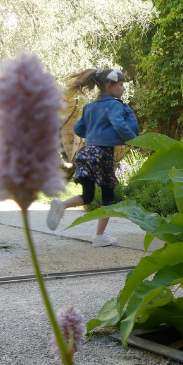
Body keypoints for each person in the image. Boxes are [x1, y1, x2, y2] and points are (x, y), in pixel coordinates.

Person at [46, 67, 139, 247]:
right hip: (102, 154)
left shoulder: (90, 107)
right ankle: (99, 236)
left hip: (86, 153)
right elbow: (120, 125)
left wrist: (96, 131)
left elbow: (78, 129)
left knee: (87, 196)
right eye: (121, 85)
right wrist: (136, 141)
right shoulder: (114, 105)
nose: (124, 89)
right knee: (107, 196)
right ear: (110, 86)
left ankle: (61, 205)